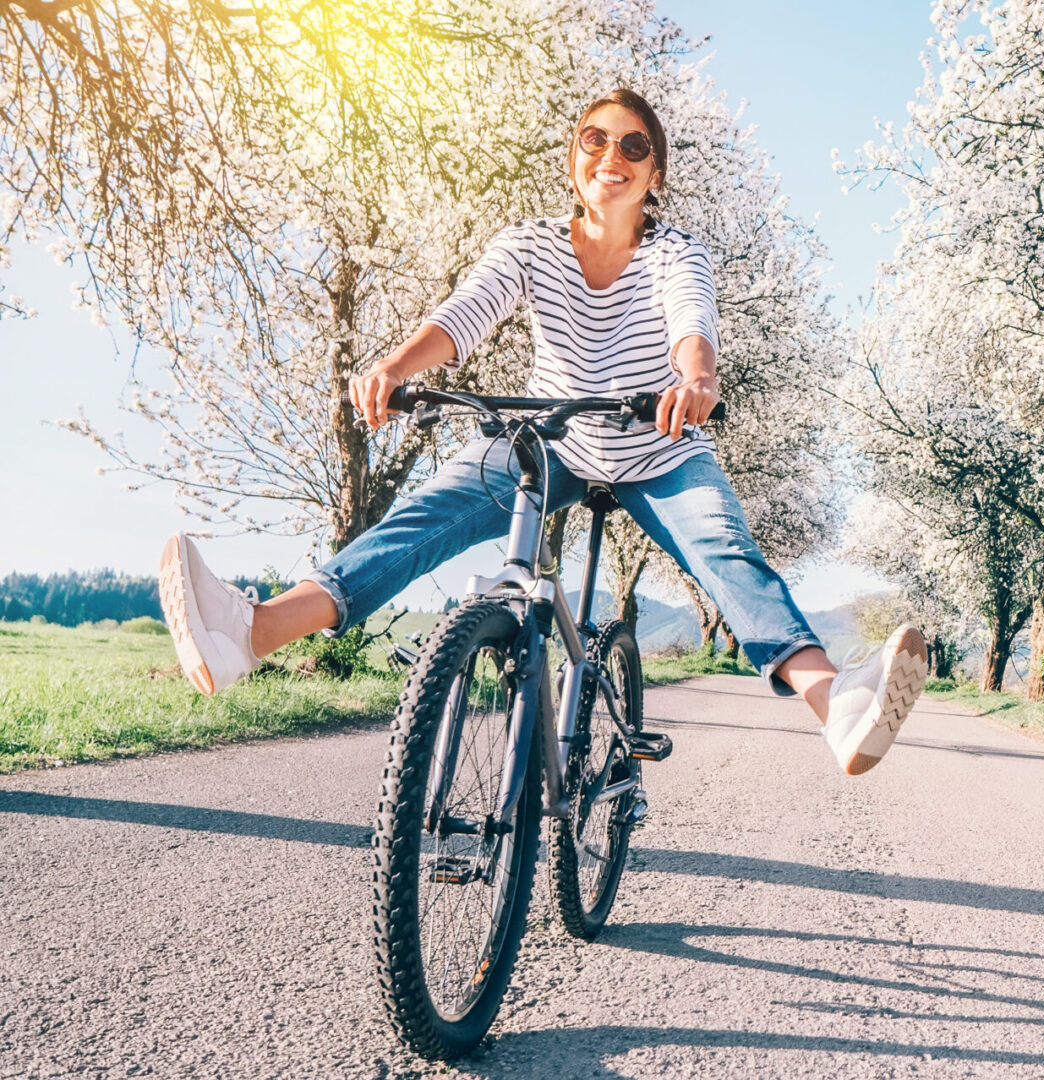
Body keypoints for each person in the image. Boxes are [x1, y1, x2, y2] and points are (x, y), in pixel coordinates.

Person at [157, 88, 927, 776]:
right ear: (573, 160)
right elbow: (465, 314)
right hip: (550, 441)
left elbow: (691, 324)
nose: (611, 156)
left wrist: (695, 381)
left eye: (633, 146)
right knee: (423, 518)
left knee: (725, 553)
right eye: (595, 140)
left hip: (658, 448)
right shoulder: (528, 245)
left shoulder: (673, 252)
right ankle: (251, 633)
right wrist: (394, 366)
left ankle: (837, 706)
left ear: (653, 174)